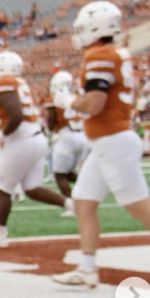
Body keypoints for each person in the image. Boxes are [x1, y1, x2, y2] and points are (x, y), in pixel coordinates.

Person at [53, 1, 150, 286]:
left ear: (94, 27)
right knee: (83, 201)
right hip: (108, 141)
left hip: (112, 140)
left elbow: (94, 103)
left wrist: (67, 101)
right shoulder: (117, 52)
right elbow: (134, 91)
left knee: (140, 207)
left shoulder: (100, 53)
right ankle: (87, 267)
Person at [0, 51, 71, 248]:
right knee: (32, 188)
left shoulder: (5, 83)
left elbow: (16, 116)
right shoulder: (19, 83)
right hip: (35, 137)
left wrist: (3, 135)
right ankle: (72, 204)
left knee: (4, 188)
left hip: (22, 139)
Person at [44, 69, 87, 214]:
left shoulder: (55, 97)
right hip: (81, 136)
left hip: (65, 136)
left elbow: (51, 118)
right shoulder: (76, 96)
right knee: (68, 174)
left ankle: (72, 206)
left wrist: (49, 133)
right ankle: (91, 188)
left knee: (59, 175)